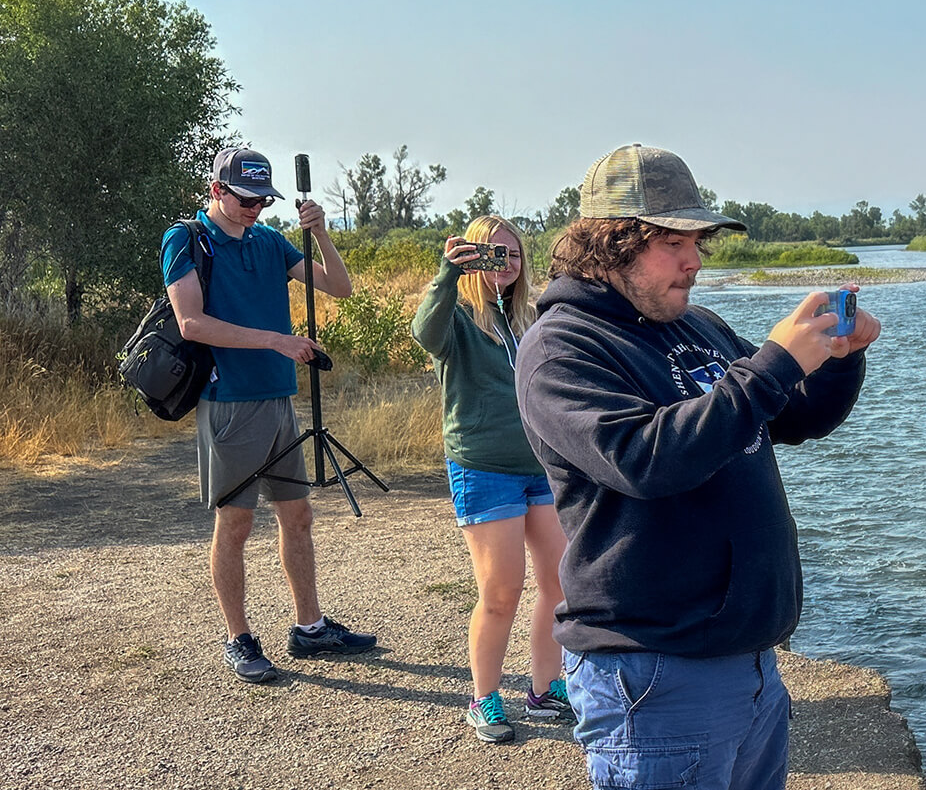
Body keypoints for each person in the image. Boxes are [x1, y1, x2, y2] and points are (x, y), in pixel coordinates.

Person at [515, 144, 880, 790]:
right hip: (653, 671)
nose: (695, 259)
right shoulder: (561, 347)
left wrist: (839, 356)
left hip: (748, 664)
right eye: (674, 241)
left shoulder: (695, 325)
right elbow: (646, 458)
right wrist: (774, 361)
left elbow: (793, 417)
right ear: (608, 242)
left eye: (699, 241)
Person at [163, 148, 378, 684]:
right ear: (217, 190)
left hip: (278, 398)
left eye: (264, 199)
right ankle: (238, 639)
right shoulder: (185, 239)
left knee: (297, 516)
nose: (256, 208)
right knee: (235, 522)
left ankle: (310, 627)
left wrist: (322, 232)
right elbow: (191, 323)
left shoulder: (271, 240)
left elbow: (340, 287)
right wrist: (277, 342)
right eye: (246, 198)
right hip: (229, 402)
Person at [410, 215, 571, 744]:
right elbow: (423, 335)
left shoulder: (531, 317)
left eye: (514, 253)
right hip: (482, 467)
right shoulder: (455, 315)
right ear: (472, 257)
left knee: (560, 583)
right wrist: (446, 275)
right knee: (501, 590)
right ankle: (483, 697)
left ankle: (546, 689)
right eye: (492, 253)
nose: (505, 262)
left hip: (541, 467)